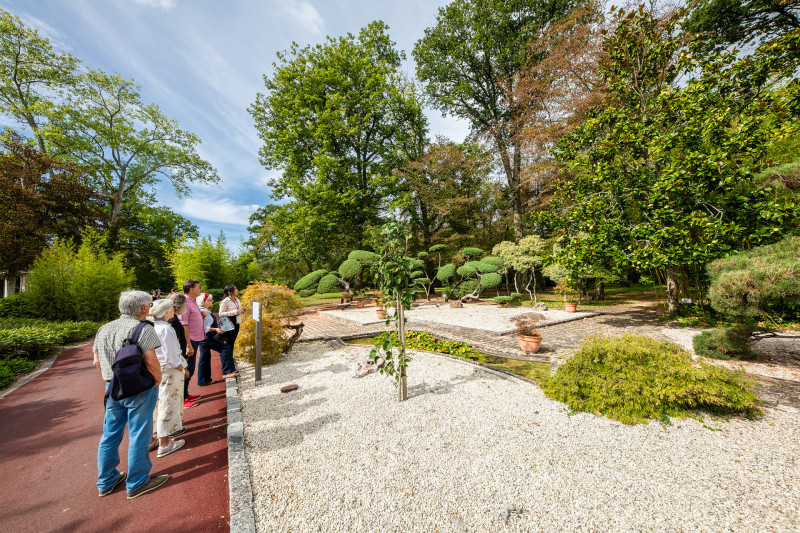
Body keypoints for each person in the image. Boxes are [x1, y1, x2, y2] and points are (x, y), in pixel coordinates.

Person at [92, 290, 169, 499]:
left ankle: (106, 481)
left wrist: (110, 379)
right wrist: (157, 379)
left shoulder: (103, 329)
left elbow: (97, 362)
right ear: (144, 308)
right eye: (149, 305)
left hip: (112, 387)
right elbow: (151, 361)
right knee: (139, 434)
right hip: (139, 389)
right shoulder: (144, 328)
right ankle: (137, 482)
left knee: (110, 435)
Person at [148, 299, 187, 458]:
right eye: (171, 309)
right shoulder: (166, 329)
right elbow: (171, 356)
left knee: (157, 403)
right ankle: (165, 443)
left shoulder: (150, 328)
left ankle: (155, 436)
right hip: (169, 369)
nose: (173, 311)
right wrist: (182, 369)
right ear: (165, 312)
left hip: (156, 368)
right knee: (168, 403)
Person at [196, 292, 239, 383]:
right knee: (225, 348)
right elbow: (204, 328)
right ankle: (227, 371)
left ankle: (203, 379)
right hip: (207, 337)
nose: (213, 301)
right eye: (211, 300)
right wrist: (215, 329)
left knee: (204, 357)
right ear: (205, 302)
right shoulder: (203, 312)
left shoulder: (202, 310)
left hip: (202, 337)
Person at [178, 280, 204, 408]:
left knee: (191, 368)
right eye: (199, 287)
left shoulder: (193, 302)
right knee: (188, 368)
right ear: (191, 289)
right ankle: (181, 399)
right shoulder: (186, 303)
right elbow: (183, 325)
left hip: (195, 339)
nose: (201, 289)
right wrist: (188, 344)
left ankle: (185, 394)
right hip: (190, 340)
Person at [219, 284, 247, 351]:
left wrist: (242, 311)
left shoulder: (237, 299)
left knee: (233, 341)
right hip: (229, 322)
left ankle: (230, 358)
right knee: (229, 341)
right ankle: (228, 358)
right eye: (235, 289)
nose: (237, 290)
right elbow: (221, 314)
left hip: (236, 321)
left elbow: (237, 311)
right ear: (229, 292)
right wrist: (234, 312)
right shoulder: (225, 301)